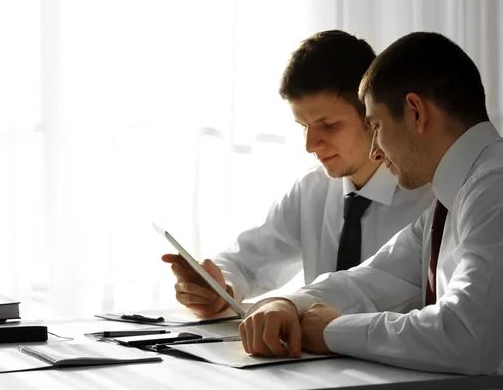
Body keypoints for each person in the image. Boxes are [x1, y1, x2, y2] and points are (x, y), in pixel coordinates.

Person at [238, 31, 503, 390]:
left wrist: (331, 331)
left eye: (376, 126)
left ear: (416, 112)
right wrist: (288, 304)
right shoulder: (453, 201)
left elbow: (466, 338)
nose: (374, 151)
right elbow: (371, 279)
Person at [162, 30, 434, 318]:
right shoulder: (312, 190)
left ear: (371, 114)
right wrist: (219, 289)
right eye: (303, 126)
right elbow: (250, 259)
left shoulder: (431, 198)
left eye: (328, 125)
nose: (310, 145)